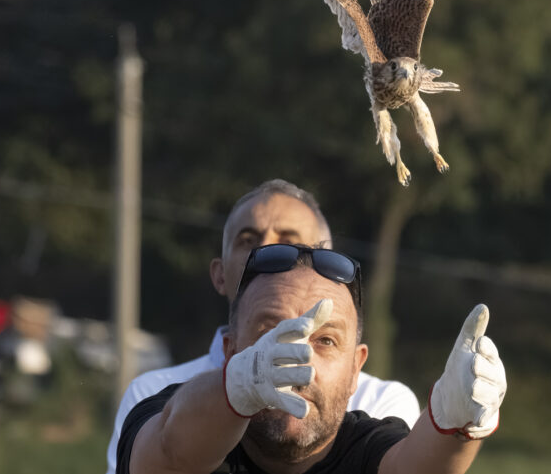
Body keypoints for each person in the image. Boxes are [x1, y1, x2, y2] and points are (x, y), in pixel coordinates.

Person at [105, 180, 420, 474]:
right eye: (247, 240)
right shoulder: (152, 391)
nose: (263, 252)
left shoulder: (381, 400)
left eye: (290, 243)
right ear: (219, 273)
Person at [116, 244, 506, 474]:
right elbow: (165, 456)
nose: (300, 359)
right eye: (273, 334)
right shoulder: (169, 411)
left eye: (326, 341)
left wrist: (455, 423)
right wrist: (237, 386)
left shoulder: (366, 446)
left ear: (356, 369)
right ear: (231, 350)